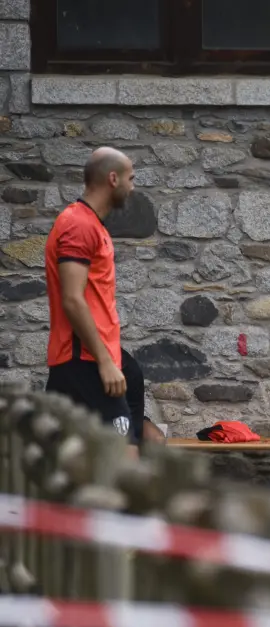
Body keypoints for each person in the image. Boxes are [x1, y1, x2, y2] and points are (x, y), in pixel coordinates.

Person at [44, 147, 137, 455]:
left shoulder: (90, 223)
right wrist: (105, 362)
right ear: (113, 178)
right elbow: (72, 299)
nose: (132, 187)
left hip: (82, 360)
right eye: (130, 178)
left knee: (63, 461)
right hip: (85, 361)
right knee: (124, 456)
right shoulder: (79, 224)